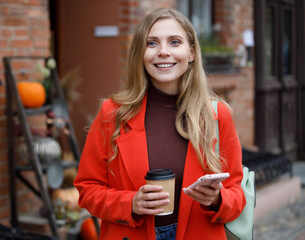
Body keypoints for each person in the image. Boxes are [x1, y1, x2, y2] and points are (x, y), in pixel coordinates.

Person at [73, 8, 245, 240]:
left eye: (175, 42)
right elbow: (87, 190)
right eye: (152, 43)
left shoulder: (216, 114)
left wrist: (216, 200)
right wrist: (130, 202)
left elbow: (237, 194)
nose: (163, 52)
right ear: (140, 53)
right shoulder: (112, 114)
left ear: (191, 52)